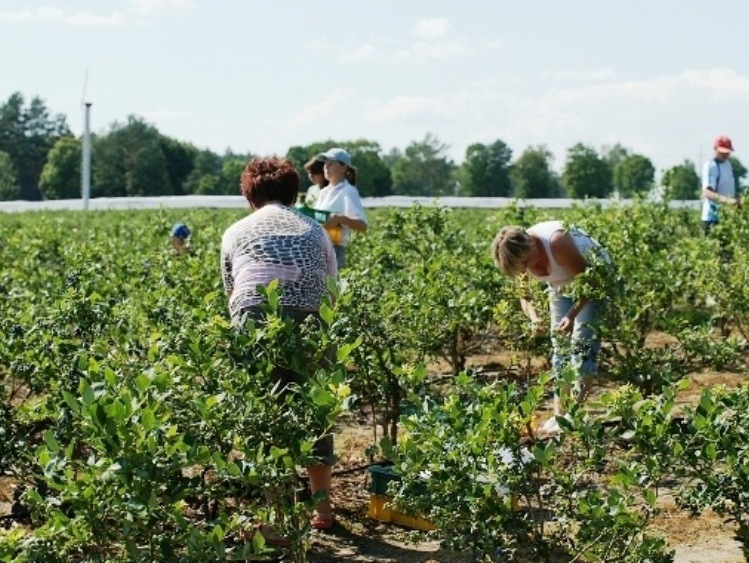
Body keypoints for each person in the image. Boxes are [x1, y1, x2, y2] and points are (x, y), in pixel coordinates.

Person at [220, 156, 339, 530]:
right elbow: (332, 287)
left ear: (250, 197)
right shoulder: (314, 230)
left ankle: (276, 515)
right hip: (311, 318)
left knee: (265, 413)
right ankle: (322, 512)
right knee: (316, 412)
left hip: (254, 317)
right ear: (293, 194)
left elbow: (232, 290)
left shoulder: (235, 232)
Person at [491, 221, 610, 436]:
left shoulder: (557, 242)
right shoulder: (520, 257)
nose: (527, 269)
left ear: (530, 242)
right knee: (560, 351)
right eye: (521, 266)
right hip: (559, 285)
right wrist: (535, 319)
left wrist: (571, 316)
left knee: (582, 348)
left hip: (591, 282)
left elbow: (591, 282)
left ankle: (572, 416)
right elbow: (524, 295)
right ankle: (559, 416)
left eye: (526, 261)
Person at [314, 148, 368, 269]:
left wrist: (340, 219)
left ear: (344, 168)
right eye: (325, 164)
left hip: (335, 250)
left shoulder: (348, 191)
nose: (326, 167)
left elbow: (363, 226)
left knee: (332, 286)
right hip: (319, 249)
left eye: (331, 164)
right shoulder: (324, 192)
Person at [701, 135, 738, 233]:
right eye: (722, 152)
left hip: (727, 216)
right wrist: (729, 201)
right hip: (712, 218)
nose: (725, 154)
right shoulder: (711, 166)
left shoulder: (728, 165)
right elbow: (708, 193)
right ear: (715, 149)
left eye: (727, 152)